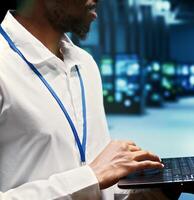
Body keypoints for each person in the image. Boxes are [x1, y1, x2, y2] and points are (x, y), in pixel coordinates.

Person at [0, 0, 176, 199]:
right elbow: (94, 176)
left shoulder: (85, 63)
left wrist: (158, 190)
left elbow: (102, 183)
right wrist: (90, 177)